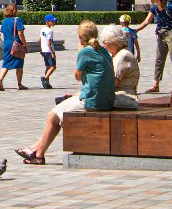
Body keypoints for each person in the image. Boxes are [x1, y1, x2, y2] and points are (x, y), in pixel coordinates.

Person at [15, 20, 114, 165]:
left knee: (52, 115)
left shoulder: (86, 51)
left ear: (81, 37)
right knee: (58, 109)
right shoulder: (103, 50)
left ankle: (38, 155)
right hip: (106, 98)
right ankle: (35, 149)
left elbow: (77, 76)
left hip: (93, 101)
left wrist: (80, 53)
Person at [134, 0, 172, 93]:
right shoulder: (154, 8)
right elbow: (146, 21)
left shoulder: (170, 7)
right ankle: (156, 85)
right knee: (159, 60)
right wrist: (136, 30)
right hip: (161, 34)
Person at [101, 23, 141, 109]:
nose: (103, 46)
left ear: (114, 41)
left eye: (105, 42)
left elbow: (111, 84)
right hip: (117, 97)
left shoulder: (123, 56)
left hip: (124, 98)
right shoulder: (118, 54)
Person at [0, 3, 28, 91]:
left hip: (7, 44)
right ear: (15, 10)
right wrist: (25, 44)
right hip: (16, 44)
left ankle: (0, 80)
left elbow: (3, 32)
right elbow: (20, 34)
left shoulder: (4, 21)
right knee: (19, 64)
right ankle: (19, 84)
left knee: (6, 63)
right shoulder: (17, 20)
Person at [38, 14, 59, 89]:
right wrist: (52, 53)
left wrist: (40, 49)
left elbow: (39, 40)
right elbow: (49, 43)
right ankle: (45, 78)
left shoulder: (42, 29)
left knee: (48, 67)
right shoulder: (50, 31)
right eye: (53, 21)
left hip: (44, 50)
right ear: (47, 22)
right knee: (53, 66)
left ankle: (47, 83)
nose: (54, 22)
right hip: (49, 51)